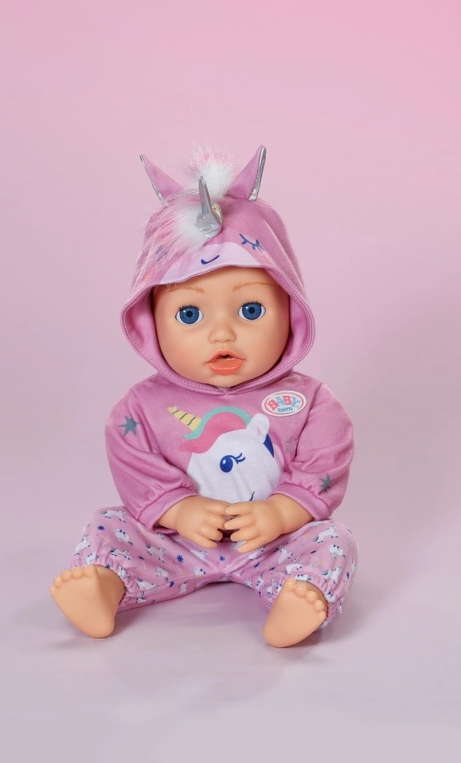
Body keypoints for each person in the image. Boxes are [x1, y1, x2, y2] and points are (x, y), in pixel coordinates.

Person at [50, 147, 358, 647]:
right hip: (176, 543)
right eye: (190, 315)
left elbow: (324, 465)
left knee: (333, 540)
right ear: (150, 321)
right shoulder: (139, 408)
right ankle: (104, 585)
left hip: (274, 545)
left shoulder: (310, 402)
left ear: (290, 311)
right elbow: (136, 470)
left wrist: (281, 513)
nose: (222, 335)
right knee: (109, 524)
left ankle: (299, 595)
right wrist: (178, 511)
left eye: (251, 310)